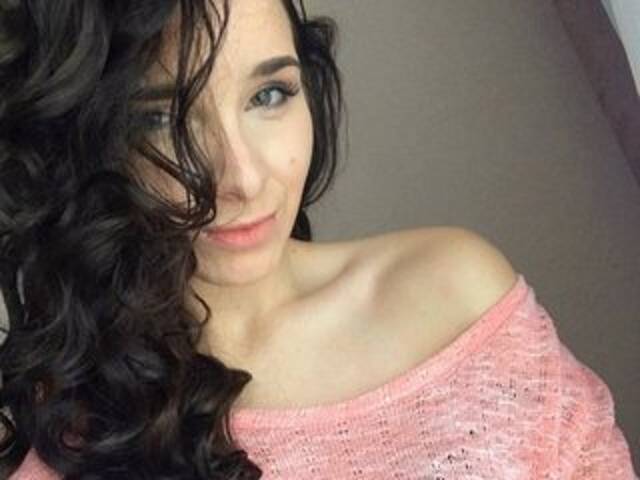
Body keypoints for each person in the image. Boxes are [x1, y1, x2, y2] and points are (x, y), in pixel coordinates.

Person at [0, 0, 637, 479]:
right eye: (160, 119)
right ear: (91, 140)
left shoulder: (456, 292)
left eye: (269, 94)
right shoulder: (83, 427)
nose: (242, 178)